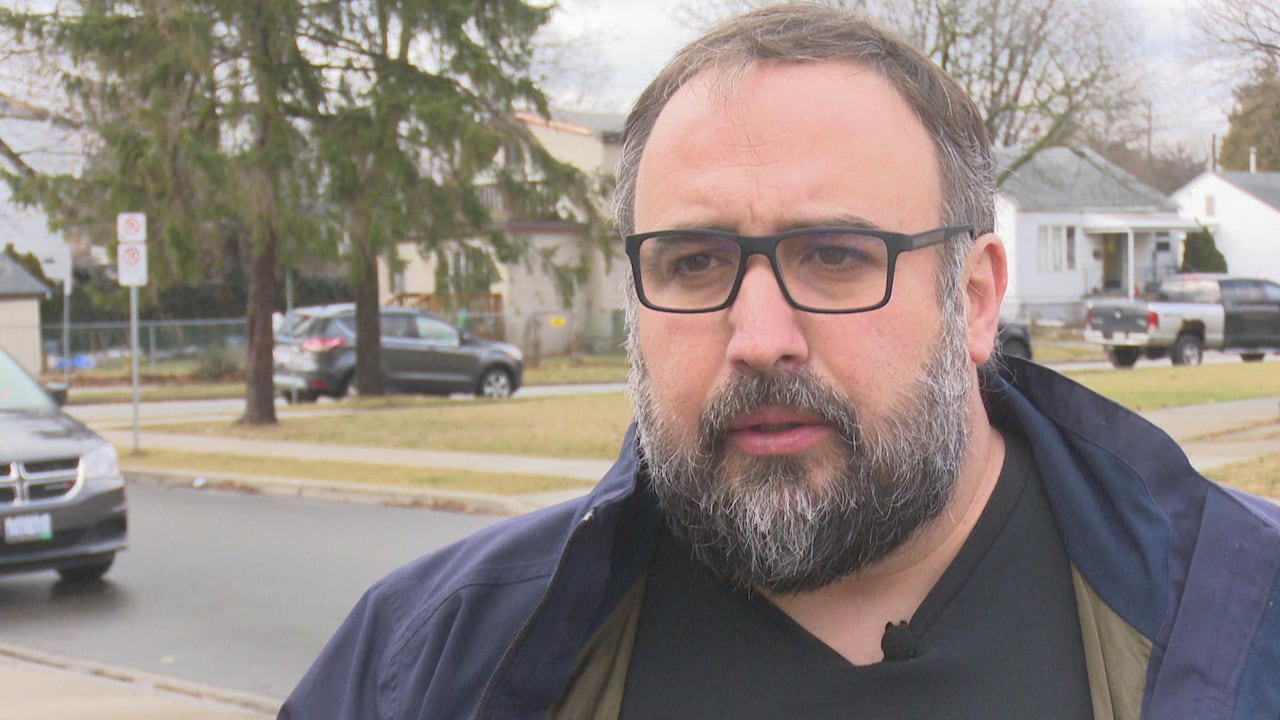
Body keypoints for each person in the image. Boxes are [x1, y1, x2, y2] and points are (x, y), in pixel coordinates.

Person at [279, 5, 1280, 719]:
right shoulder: (429, 663)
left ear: (973, 299)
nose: (758, 336)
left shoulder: (1243, 621)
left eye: (835, 256)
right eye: (694, 262)